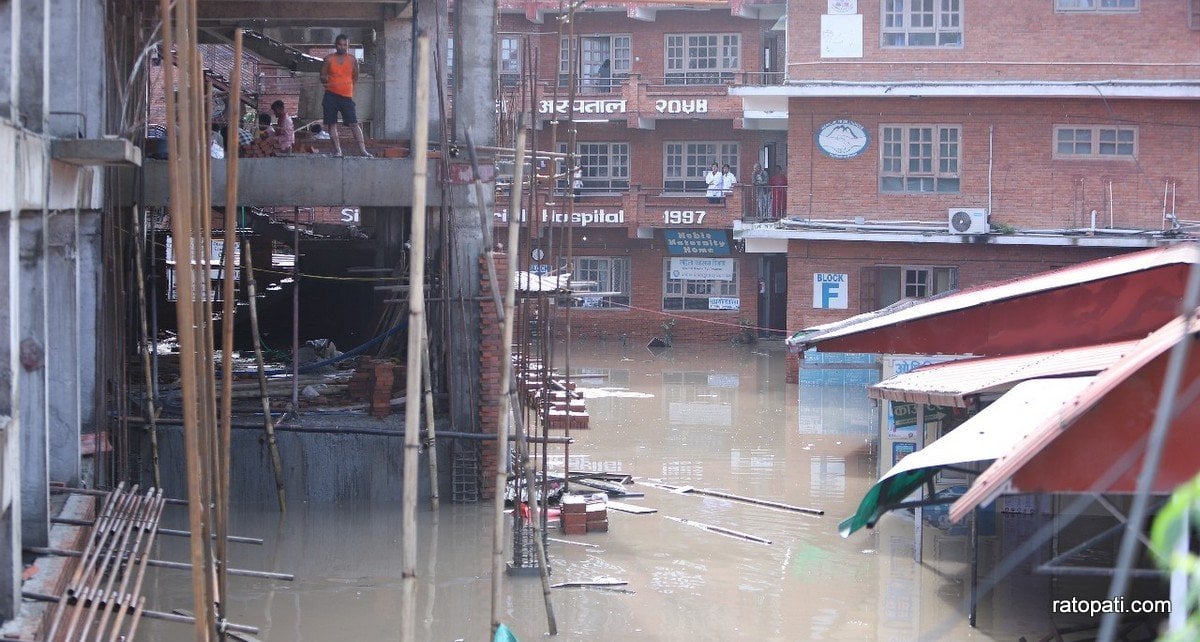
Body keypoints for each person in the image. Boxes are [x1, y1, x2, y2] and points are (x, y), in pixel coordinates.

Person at [320, 34, 373, 158]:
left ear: (348, 46)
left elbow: (355, 78)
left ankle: (363, 150)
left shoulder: (352, 60)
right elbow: (322, 77)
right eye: (340, 44)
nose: (342, 47)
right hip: (330, 96)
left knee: (354, 123)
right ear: (336, 45)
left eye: (345, 45)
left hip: (346, 97)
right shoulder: (328, 59)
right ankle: (338, 151)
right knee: (331, 124)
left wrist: (346, 87)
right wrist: (330, 84)